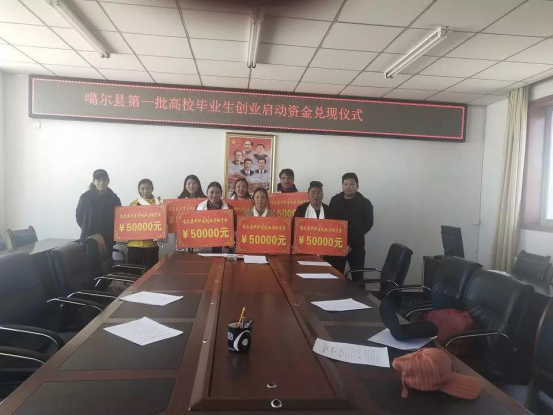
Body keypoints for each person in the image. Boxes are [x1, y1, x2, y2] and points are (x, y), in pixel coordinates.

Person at [328, 173, 374, 276]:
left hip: (356, 246)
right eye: (346, 184)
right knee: (336, 276)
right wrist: (342, 242)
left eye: (351, 184)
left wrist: (351, 243)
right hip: (337, 244)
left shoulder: (365, 203)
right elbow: (330, 222)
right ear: (342, 185)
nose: (348, 187)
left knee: (358, 277)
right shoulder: (335, 200)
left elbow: (368, 224)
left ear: (357, 186)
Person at [76, 169, 121, 251]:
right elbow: (79, 216)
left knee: (107, 258)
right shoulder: (85, 198)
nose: (101, 183)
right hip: (89, 237)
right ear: (94, 182)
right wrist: (86, 228)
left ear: (108, 181)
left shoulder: (114, 198)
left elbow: (120, 217)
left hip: (108, 237)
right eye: (98, 180)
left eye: (104, 180)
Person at [127, 179, 162, 268]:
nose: (145, 191)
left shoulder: (158, 205)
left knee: (151, 271)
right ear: (139, 190)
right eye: (142, 189)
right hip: (134, 244)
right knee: (134, 271)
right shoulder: (134, 204)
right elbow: (128, 223)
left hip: (151, 244)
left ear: (152, 188)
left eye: (148, 188)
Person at [196, 182, 235, 253]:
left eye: (217, 193)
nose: (214, 195)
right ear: (207, 193)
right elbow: (194, 226)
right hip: (204, 244)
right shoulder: (199, 207)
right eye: (211, 192)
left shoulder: (229, 208)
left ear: (221, 194)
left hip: (223, 245)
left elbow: (234, 226)